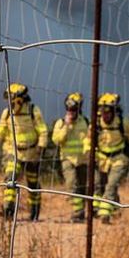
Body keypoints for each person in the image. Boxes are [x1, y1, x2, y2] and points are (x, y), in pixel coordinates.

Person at [0, 82, 46, 220]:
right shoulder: (7, 113)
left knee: (32, 182)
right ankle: (8, 209)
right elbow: (1, 128)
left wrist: (41, 146)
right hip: (12, 151)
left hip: (31, 153)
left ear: (21, 99)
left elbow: (42, 130)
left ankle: (34, 211)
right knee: (11, 178)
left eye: (13, 100)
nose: (11, 103)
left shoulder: (33, 111)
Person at [84, 92, 129, 221]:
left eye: (108, 112)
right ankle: (111, 209)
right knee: (99, 185)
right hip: (100, 159)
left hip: (119, 159)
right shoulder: (96, 124)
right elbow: (87, 141)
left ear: (114, 111)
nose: (105, 115)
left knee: (111, 184)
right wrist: (89, 152)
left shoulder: (123, 122)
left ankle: (104, 213)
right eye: (102, 112)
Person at [50, 93, 89, 222]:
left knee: (82, 187)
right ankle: (77, 212)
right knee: (72, 184)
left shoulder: (85, 122)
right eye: (68, 109)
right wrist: (67, 126)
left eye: (73, 109)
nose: (70, 112)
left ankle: (81, 211)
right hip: (67, 159)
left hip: (83, 160)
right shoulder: (60, 123)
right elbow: (57, 140)